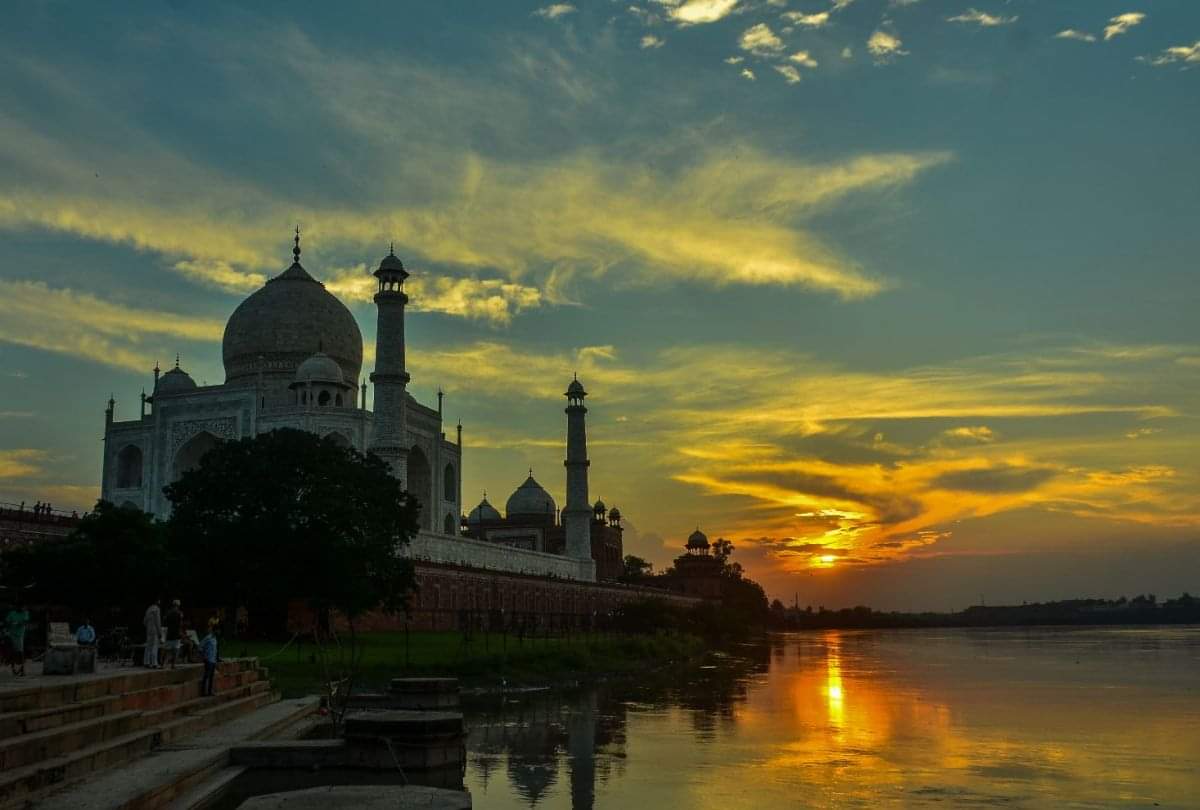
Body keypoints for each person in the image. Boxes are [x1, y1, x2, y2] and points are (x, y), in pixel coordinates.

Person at [5, 602, 30, 676]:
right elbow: (7, 621)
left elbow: (25, 621)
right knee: (12, 651)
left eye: (24, 607)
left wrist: (16, 623)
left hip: (19, 635)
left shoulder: (25, 613)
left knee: (20, 652)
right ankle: (13, 669)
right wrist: (10, 624)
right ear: (18, 607)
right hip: (11, 634)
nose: (23, 608)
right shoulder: (12, 613)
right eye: (22, 607)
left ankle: (22, 669)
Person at [199, 620, 219, 697]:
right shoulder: (208, 638)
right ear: (215, 630)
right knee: (206, 676)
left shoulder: (215, 639)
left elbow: (215, 650)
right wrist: (204, 656)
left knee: (211, 677)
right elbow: (200, 646)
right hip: (208, 659)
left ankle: (210, 691)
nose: (219, 632)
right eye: (218, 630)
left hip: (213, 660)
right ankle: (203, 692)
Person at [163, 600, 183, 669]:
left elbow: (165, 621)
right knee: (176, 650)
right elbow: (180, 624)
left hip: (169, 633)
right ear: (178, 605)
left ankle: (164, 664)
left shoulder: (168, 613)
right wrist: (181, 632)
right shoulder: (179, 613)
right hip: (176, 633)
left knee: (167, 650)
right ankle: (173, 665)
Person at [142, 599, 162, 668]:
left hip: (148, 630)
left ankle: (146, 662)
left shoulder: (148, 609)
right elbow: (158, 621)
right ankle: (154, 663)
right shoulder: (157, 609)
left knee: (148, 646)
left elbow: (144, 621)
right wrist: (160, 632)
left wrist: (148, 626)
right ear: (157, 602)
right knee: (154, 646)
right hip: (155, 630)